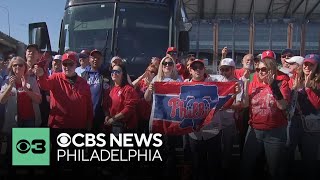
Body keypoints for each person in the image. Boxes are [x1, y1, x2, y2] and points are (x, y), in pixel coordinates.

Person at [241, 50, 290, 179]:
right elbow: (245, 105)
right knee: (246, 165)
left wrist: (273, 86)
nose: (260, 72)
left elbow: (283, 106)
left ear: (271, 69)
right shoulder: (253, 84)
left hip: (275, 132)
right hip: (254, 130)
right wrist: (245, 87)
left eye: (264, 69)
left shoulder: (282, 83)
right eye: (258, 70)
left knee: (275, 170)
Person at [34, 51, 93, 129]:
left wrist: (89, 123)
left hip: (78, 126)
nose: (67, 67)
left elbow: (89, 105)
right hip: (58, 125)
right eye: (65, 64)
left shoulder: (83, 83)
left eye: (70, 64)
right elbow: (44, 85)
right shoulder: (55, 77)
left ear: (76, 65)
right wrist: (41, 75)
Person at [287, 54, 320, 179]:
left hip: (311, 124)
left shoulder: (317, 81)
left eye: (311, 64)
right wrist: (294, 90)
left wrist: (308, 88)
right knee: (287, 153)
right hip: (294, 121)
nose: (307, 66)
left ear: (317, 66)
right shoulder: (297, 78)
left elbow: (317, 105)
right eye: (306, 64)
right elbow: (290, 102)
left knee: (309, 158)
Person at [81, 49, 110, 131]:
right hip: (85, 113)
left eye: (98, 58)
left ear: (101, 60)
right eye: (93, 57)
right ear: (89, 59)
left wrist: (107, 113)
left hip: (99, 113)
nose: (95, 60)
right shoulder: (83, 75)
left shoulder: (107, 75)